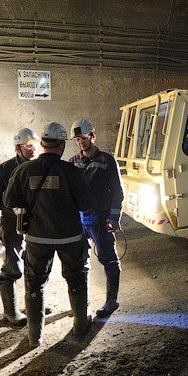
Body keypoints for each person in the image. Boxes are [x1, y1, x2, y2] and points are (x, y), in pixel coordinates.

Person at [3, 122, 94, 347]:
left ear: (42, 144)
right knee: (76, 278)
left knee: (34, 285)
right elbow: (86, 205)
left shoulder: (23, 171)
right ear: (61, 146)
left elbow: (9, 201)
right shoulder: (71, 171)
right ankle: (81, 326)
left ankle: (35, 337)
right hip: (70, 238)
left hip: (37, 239)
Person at [0, 127, 39, 326]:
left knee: (35, 264)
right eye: (28, 146)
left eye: (35, 145)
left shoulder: (39, 167)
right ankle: (11, 311)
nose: (33, 150)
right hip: (11, 223)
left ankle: (33, 302)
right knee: (13, 265)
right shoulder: (4, 170)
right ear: (17, 148)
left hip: (35, 223)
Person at [69, 118, 125, 318]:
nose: (80, 143)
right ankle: (81, 301)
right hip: (81, 220)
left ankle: (112, 300)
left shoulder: (106, 160)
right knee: (79, 261)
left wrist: (114, 216)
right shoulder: (73, 162)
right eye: (77, 140)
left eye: (83, 138)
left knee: (109, 259)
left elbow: (117, 191)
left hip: (101, 220)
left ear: (93, 136)